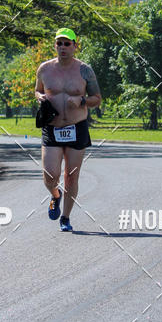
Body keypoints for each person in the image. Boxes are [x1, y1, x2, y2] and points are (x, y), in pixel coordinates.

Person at [35, 28, 102, 233]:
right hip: (52, 127)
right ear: (54, 46)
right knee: (49, 174)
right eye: (59, 43)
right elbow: (37, 89)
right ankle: (56, 195)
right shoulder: (44, 69)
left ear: (75, 46)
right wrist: (39, 97)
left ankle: (65, 217)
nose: (63, 47)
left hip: (76, 127)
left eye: (67, 43)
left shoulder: (85, 70)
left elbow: (97, 99)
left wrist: (82, 100)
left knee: (71, 176)